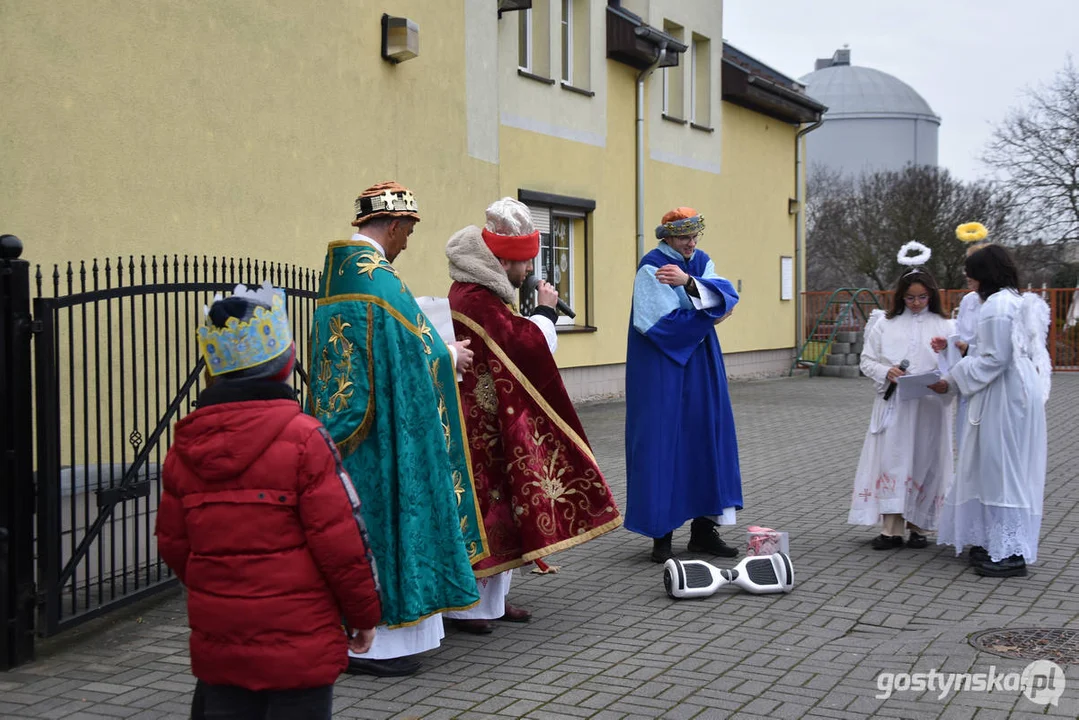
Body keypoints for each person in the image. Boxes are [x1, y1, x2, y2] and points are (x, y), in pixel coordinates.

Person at [156, 282, 382, 720]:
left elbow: (174, 544)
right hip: (300, 642)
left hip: (222, 639)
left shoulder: (185, 446)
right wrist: (363, 614)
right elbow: (343, 545)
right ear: (286, 364)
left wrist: (220, 586)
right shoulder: (306, 439)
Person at [307, 181, 488, 676]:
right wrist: (448, 354)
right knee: (386, 526)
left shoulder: (341, 276)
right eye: (407, 230)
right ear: (391, 225)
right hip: (381, 436)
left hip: (345, 432)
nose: (407, 241)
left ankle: (358, 638)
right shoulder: (379, 280)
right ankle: (381, 646)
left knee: (355, 531)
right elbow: (411, 354)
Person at [443, 198, 622, 633]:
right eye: (524, 264)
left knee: (503, 505)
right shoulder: (476, 297)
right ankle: (468, 609)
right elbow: (522, 346)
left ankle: (492, 603)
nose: (528, 272)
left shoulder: (484, 291)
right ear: (505, 260)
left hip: (488, 419)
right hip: (476, 426)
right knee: (487, 509)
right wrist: (543, 311)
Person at [624, 207, 743, 563]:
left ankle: (704, 533)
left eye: (693, 236)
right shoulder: (652, 266)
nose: (690, 243)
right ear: (667, 237)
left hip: (702, 365)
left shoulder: (699, 261)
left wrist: (689, 284)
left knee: (706, 437)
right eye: (682, 237)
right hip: (663, 369)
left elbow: (727, 292)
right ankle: (662, 535)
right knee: (663, 443)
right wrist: (709, 313)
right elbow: (658, 323)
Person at [932, 245, 1051, 578]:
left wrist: (952, 379)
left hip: (1005, 396)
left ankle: (1009, 552)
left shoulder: (997, 307)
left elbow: (993, 359)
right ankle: (995, 539)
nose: (968, 278)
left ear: (984, 274)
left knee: (1002, 469)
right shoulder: (1013, 300)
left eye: (971, 272)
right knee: (999, 466)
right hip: (1014, 392)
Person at [848, 249, 956, 549]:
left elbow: (957, 364)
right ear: (901, 297)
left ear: (931, 296)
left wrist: (944, 381)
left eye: (922, 297)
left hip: (930, 406)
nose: (917, 303)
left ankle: (920, 526)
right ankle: (891, 528)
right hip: (896, 404)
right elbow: (867, 361)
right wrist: (888, 371)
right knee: (893, 460)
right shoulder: (885, 323)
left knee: (927, 460)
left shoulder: (946, 326)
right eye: (910, 298)